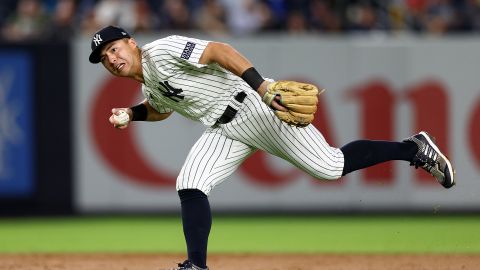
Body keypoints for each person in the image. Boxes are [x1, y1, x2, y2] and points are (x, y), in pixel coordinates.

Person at [88, 25, 455, 270]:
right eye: (105, 59)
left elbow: (219, 50)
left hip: (254, 106)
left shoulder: (163, 50)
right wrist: (133, 114)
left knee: (329, 166)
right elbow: (161, 109)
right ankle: (196, 265)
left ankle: (413, 148)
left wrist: (262, 87)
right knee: (190, 183)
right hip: (223, 130)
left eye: (114, 49)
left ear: (131, 42)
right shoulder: (147, 84)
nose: (112, 59)